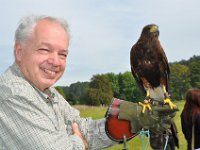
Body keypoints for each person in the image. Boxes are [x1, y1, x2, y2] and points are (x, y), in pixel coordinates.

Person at [0, 15, 177, 150]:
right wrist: (79, 142)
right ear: (19, 52)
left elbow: (84, 127)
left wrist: (136, 119)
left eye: (62, 54)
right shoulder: (12, 94)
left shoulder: (48, 93)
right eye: (45, 49)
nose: (55, 61)